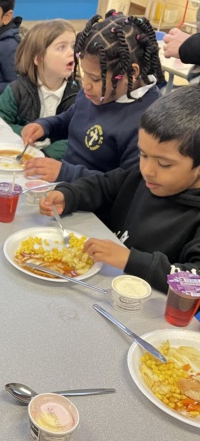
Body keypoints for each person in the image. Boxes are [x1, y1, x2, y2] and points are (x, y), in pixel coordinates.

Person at [39, 86, 200, 294]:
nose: (147, 170)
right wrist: (69, 195)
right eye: (143, 155)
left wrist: (130, 260)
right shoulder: (141, 176)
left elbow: (195, 281)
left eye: (164, 164)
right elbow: (104, 185)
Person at [21, 11, 164, 183]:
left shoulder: (147, 122)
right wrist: (45, 126)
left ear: (131, 73)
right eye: (84, 74)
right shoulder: (97, 93)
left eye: (96, 79)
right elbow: (72, 118)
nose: (86, 85)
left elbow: (126, 185)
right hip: (66, 185)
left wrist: (67, 173)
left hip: (91, 196)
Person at [0, 19, 80, 160]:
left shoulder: (80, 94)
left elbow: (79, 137)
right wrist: (27, 132)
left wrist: (47, 153)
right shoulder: (18, 89)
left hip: (56, 163)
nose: (72, 53)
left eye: (73, 46)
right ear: (39, 58)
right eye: (61, 47)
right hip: (17, 155)